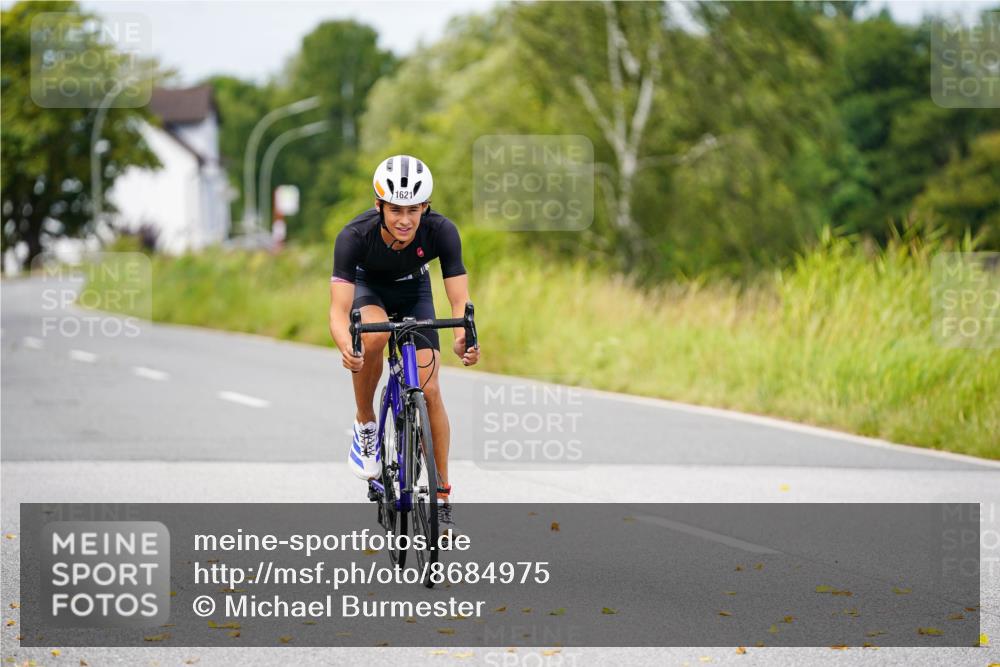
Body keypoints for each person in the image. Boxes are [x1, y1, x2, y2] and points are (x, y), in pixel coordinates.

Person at [328, 155, 480, 532]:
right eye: (395, 209)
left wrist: (462, 336)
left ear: (425, 207)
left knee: (429, 390)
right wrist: (347, 344)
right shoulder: (354, 236)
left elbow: (459, 301)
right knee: (375, 334)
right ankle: (365, 425)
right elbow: (338, 309)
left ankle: (442, 493)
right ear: (379, 205)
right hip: (369, 289)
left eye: (414, 209)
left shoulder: (441, 231)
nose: (405, 219)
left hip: (415, 291)